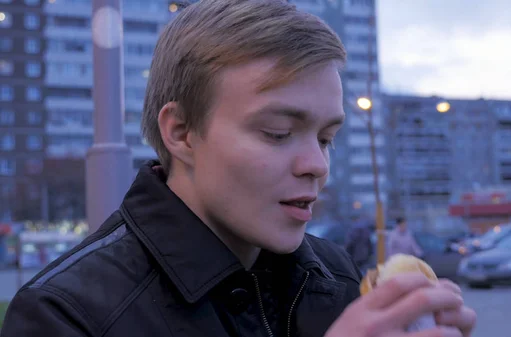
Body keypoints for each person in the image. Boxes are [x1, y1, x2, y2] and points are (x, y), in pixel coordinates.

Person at [1, 1, 476, 336]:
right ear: (182, 132)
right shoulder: (66, 314)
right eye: (276, 133)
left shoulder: (336, 276)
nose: (316, 166)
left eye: (327, 138)